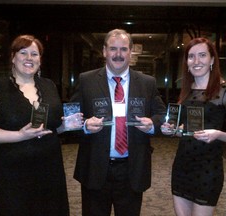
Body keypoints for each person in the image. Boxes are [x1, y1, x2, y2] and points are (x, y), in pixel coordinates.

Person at [0, 35, 77, 216]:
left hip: (49, 167)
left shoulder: (49, 86)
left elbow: (49, 127)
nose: (29, 58)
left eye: (34, 54)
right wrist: (19, 135)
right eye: (23, 52)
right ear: (13, 57)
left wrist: (64, 127)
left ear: (40, 60)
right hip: (13, 170)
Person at [71, 29, 166, 216]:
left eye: (123, 49)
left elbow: (162, 115)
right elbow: (71, 117)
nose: (118, 54)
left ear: (131, 52)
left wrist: (152, 124)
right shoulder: (86, 80)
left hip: (132, 169)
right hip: (95, 167)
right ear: (104, 51)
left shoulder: (147, 83)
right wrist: (84, 126)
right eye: (113, 49)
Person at [161, 37, 226, 216]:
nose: (196, 61)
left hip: (208, 168)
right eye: (191, 57)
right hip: (182, 165)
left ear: (212, 59)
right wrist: (172, 130)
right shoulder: (186, 90)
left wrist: (217, 134)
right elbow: (184, 130)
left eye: (202, 55)